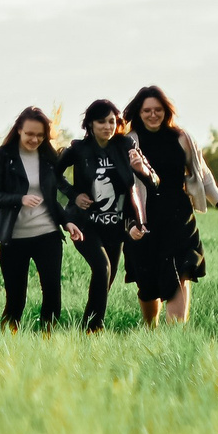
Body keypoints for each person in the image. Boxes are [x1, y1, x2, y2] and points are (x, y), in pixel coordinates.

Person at [125, 85, 218, 327]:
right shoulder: (130, 141)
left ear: (166, 111)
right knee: (147, 284)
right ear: (139, 112)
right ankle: (151, 328)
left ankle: (175, 335)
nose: (153, 114)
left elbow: (203, 175)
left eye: (158, 109)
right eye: (147, 110)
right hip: (144, 217)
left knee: (182, 270)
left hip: (178, 215)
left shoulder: (182, 138)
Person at [0, 107, 82, 332]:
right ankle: (8, 344)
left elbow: (52, 198)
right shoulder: (3, 156)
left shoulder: (49, 157)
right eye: (30, 134)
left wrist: (67, 221)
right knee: (16, 298)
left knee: (52, 293)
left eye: (40, 135)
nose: (35, 139)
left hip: (47, 235)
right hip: (14, 237)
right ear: (19, 130)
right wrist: (20, 198)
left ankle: (49, 340)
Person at [64, 100, 141, 332]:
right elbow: (54, 175)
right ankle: (92, 330)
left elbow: (145, 179)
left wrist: (141, 169)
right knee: (102, 268)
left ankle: (87, 328)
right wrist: (74, 193)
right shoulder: (79, 149)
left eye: (112, 121)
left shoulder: (125, 144)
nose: (108, 126)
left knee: (107, 279)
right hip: (85, 223)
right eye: (102, 122)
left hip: (115, 226)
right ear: (90, 123)